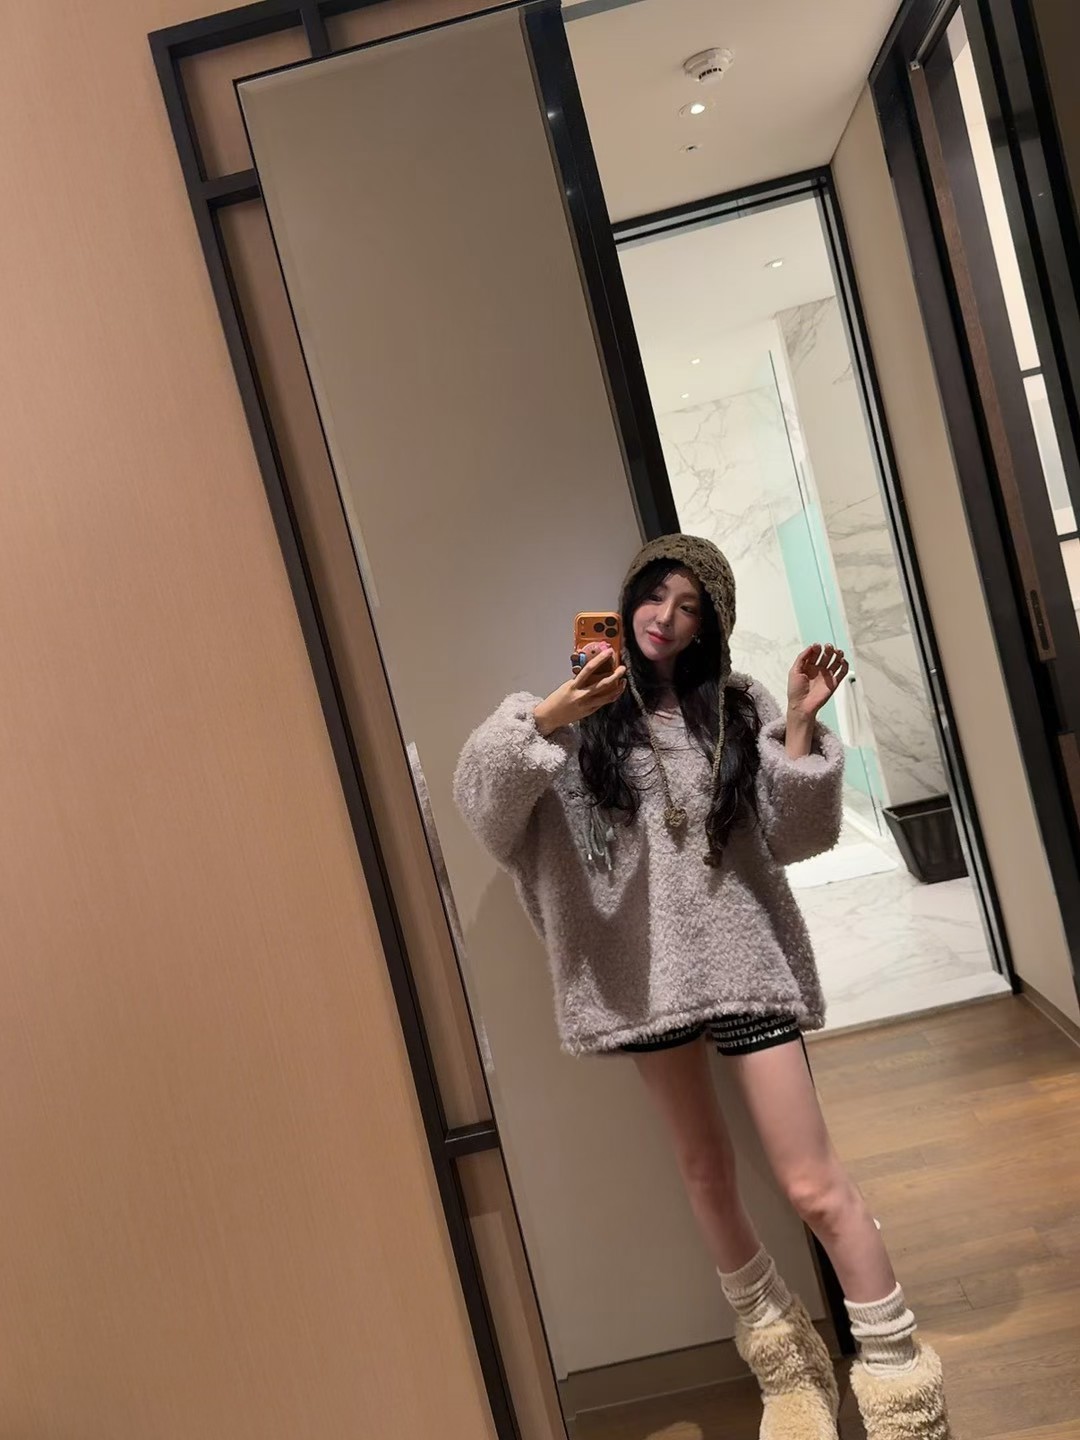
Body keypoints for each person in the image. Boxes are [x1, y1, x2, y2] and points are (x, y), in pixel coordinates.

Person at [454, 534, 951, 1440]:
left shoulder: (736, 707)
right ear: (626, 601)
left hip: (744, 964)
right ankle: (788, 1368)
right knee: (704, 1173)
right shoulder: (571, 719)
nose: (665, 618)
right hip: (641, 980)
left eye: (690, 606)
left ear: (709, 626)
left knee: (814, 1186)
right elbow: (484, 807)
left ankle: (900, 1388)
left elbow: (798, 837)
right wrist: (553, 715)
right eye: (654, 595)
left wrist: (797, 724)